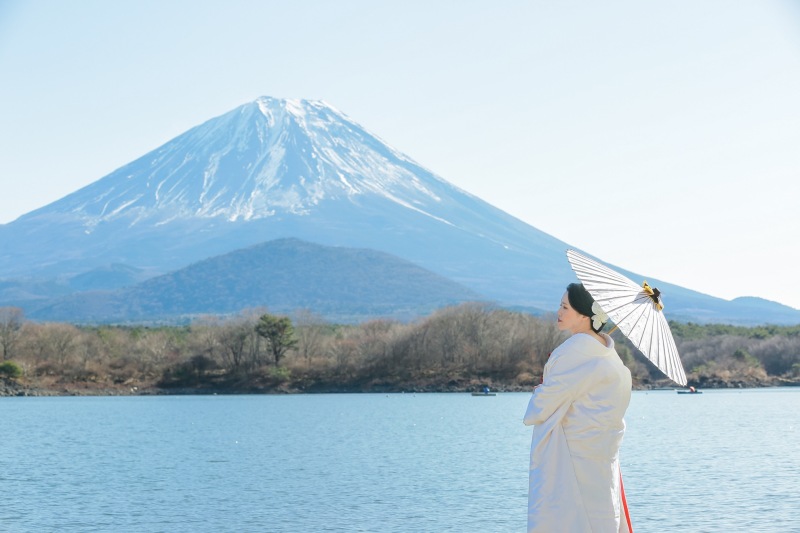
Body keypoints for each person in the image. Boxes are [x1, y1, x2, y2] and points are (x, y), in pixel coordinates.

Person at [523, 282, 633, 532]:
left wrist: (541, 389)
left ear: (585, 314)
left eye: (564, 307)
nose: (558, 312)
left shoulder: (573, 352)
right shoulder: (612, 359)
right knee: (601, 516)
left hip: (573, 457)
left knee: (570, 519)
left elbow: (540, 408)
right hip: (601, 457)